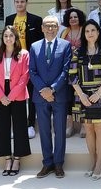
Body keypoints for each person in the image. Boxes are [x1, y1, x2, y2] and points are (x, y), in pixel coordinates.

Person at [69, 20, 101, 181]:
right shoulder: (78, 52)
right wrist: (81, 95)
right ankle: (92, 161)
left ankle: (99, 165)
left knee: (100, 130)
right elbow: (72, 75)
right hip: (82, 96)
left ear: (98, 32)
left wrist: (98, 93)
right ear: (84, 34)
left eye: (93, 30)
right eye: (87, 31)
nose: (90, 33)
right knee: (88, 129)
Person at [29, 15, 72, 179]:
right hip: (40, 96)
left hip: (59, 95)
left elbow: (66, 71)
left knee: (59, 131)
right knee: (45, 131)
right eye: (47, 25)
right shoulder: (34, 46)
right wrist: (43, 90)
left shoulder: (65, 45)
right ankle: (47, 163)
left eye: (53, 25)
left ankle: (59, 163)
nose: (50, 28)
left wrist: (52, 89)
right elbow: (32, 71)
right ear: (42, 28)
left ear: (58, 27)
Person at [0, 25, 31, 176]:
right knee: (3, 127)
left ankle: (18, 158)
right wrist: (1, 96)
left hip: (17, 93)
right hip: (1, 92)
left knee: (20, 126)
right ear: (2, 38)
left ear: (16, 38)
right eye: (6, 36)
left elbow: (24, 77)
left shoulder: (23, 54)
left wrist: (11, 96)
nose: (8, 38)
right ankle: (7, 158)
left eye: (11, 36)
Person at [5, 0, 44, 139]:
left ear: (27, 3)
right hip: (13, 63)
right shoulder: (9, 19)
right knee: (15, 94)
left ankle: (30, 124)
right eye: (17, 1)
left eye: (22, 1)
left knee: (31, 93)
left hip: (30, 63)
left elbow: (40, 44)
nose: (20, 4)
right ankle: (18, 124)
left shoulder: (35, 20)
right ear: (14, 3)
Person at [61, 8, 87, 138]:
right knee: (69, 97)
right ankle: (70, 125)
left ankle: (83, 125)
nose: (73, 19)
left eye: (75, 17)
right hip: (67, 69)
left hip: (82, 69)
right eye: (70, 17)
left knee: (81, 96)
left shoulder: (85, 31)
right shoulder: (64, 32)